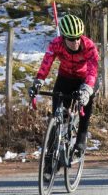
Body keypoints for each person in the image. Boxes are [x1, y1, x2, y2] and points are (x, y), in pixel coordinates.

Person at [29, 13, 100, 158]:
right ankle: (49, 157)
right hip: (65, 77)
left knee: (86, 104)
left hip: (85, 79)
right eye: (71, 39)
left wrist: (87, 90)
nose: (76, 42)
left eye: (78, 38)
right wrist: (38, 82)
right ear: (63, 37)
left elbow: (93, 71)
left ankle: (81, 138)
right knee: (56, 115)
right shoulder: (56, 44)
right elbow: (46, 63)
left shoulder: (89, 46)